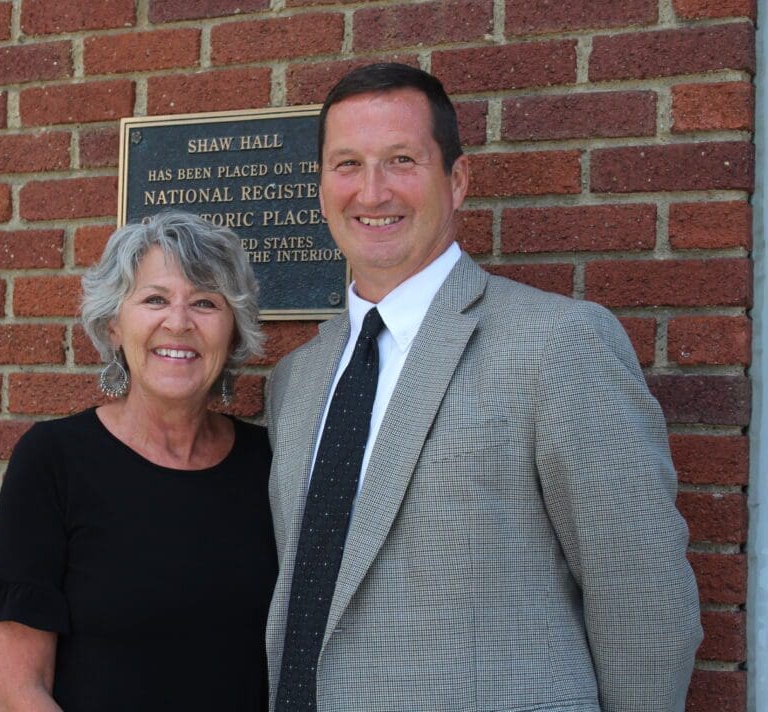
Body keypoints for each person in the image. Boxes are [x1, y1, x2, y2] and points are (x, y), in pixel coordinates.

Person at [265, 63, 702, 712]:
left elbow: (643, 596)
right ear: (322, 185)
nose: (372, 191)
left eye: (402, 160)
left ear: (458, 180)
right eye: (347, 164)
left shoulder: (557, 344)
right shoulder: (296, 379)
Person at [0, 210, 277, 712]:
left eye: (204, 303)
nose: (178, 322)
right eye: (155, 299)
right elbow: (17, 690)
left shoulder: (270, 465)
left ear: (233, 332)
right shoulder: (54, 461)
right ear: (113, 325)